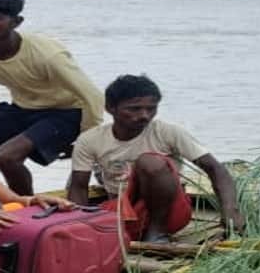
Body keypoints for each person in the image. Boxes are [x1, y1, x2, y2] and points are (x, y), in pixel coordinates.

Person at [0, 0, 106, 199]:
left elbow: (92, 96)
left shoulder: (47, 55)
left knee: (6, 157)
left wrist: (85, 140)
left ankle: (24, 205)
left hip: (66, 113)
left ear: (16, 22)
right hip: (21, 109)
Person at [67, 74, 245, 243]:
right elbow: (78, 187)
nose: (145, 115)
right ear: (110, 109)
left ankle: (157, 234)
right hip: (123, 210)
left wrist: (231, 210)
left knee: (149, 162)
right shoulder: (90, 140)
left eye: (151, 108)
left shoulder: (167, 132)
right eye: (134, 109)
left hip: (169, 214)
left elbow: (215, 168)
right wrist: (78, 227)